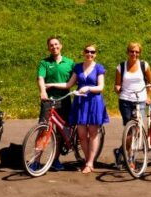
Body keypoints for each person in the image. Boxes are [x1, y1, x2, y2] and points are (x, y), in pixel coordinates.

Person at [46, 43, 109, 174]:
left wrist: (89, 88)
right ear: (83, 52)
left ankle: (90, 162)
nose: (89, 54)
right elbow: (69, 84)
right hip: (80, 102)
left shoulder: (99, 68)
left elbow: (101, 87)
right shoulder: (78, 67)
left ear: (95, 54)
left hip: (94, 102)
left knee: (92, 133)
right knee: (81, 135)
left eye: (92, 52)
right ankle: (87, 160)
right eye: (87, 51)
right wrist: (51, 84)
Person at [36, 36, 74, 171]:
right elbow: (40, 78)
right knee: (43, 129)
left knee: (60, 132)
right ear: (48, 48)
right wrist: (43, 92)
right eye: (51, 45)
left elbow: (74, 80)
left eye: (56, 44)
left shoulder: (69, 63)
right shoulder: (44, 63)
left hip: (64, 100)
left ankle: (55, 159)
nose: (54, 47)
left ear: (61, 46)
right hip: (49, 100)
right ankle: (36, 160)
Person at [114, 41, 151, 125]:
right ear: (128, 52)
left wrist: (148, 96)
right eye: (132, 51)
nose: (134, 54)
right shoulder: (121, 66)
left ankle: (138, 137)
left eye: (137, 52)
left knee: (138, 125)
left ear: (140, 53)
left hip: (141, 99)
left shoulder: (144, 65)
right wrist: (117, 88)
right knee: (128, 126)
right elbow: (117, 84)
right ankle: (128, 137)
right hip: (125, 100)